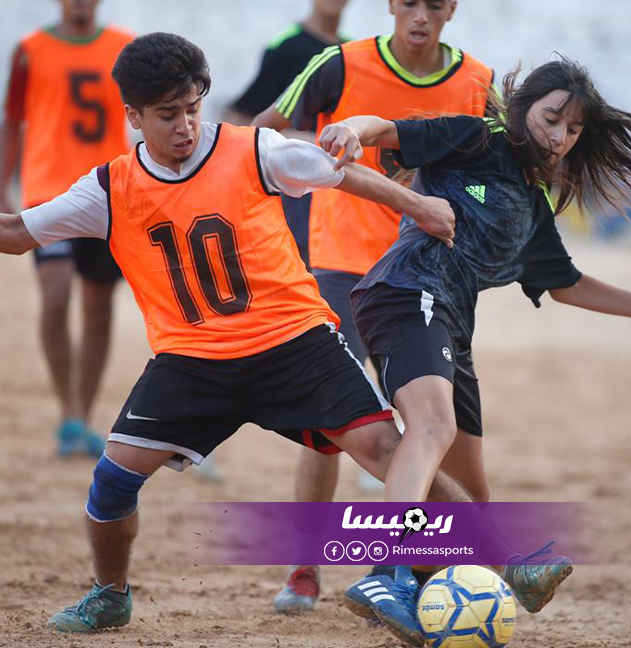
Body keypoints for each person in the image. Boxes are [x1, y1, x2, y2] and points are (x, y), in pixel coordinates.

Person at [0, 32, 581, 636]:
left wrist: (420, 204)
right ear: (134, 116)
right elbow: (17, 233)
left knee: (390, 449)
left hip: (296, 344)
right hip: (192, 363)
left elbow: (341, 173)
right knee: (111, 484)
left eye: (193, 107)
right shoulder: (110, 188)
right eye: (167, 114)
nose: (185, 125)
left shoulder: (251, 150)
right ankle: (110, 594)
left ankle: (511, 564)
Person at [313, 57, 631, 645]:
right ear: (521, 110)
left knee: (473, 493)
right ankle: (388, 571)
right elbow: (385, 128)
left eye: (572, 131)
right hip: (404, 292)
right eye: (550, 119)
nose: (559, 138)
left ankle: (466, 577)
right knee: (432, 428)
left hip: (450, 326)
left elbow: (568, 284)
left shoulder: (532, 206)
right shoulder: (476, 136)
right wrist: (351, 131)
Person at [253, 0, 494, 613]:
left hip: (431, 274)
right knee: (331, 421)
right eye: (408, 2)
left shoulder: (477, 84)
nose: (420, 15)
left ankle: (424, 567)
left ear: (452, 9)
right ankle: (305, 566)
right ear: (390, 5)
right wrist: (322, 155)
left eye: (434, 5)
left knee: (440, 429)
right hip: (340, 263)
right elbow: (261, 133)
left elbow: (495, 170)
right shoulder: (338, 64)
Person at [0, 0, 134, 457]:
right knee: (55, 295)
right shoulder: (29, 50)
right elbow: (11, 122)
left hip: (107, 193)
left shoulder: (125, 48)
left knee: (99, 307)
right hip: (47, 194)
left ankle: (83, 417)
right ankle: (68, 411)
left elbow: (147, 115)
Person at [225, 0, 349, 269]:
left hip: (342, 187)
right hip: (297, 191)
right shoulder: (286, 47)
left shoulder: (350, 51)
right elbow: (244, 117)